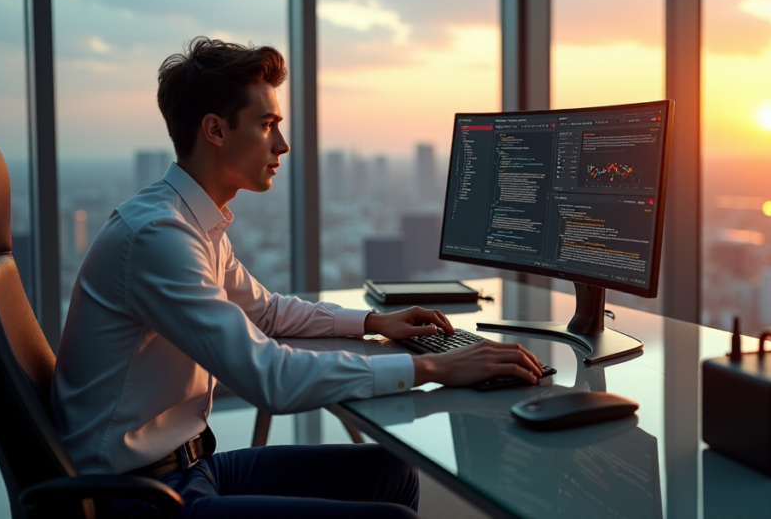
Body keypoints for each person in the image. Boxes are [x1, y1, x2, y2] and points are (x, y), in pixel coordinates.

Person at [50, 36, 544, 519]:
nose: (282, 145)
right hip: (134, 497)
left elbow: (266, 313)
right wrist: (434, 368)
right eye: (267, 125)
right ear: (215, 130)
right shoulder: (158, 237)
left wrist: (373, 322)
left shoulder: (192, 223)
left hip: (188, 469)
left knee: (393, 473)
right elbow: (269, 378)